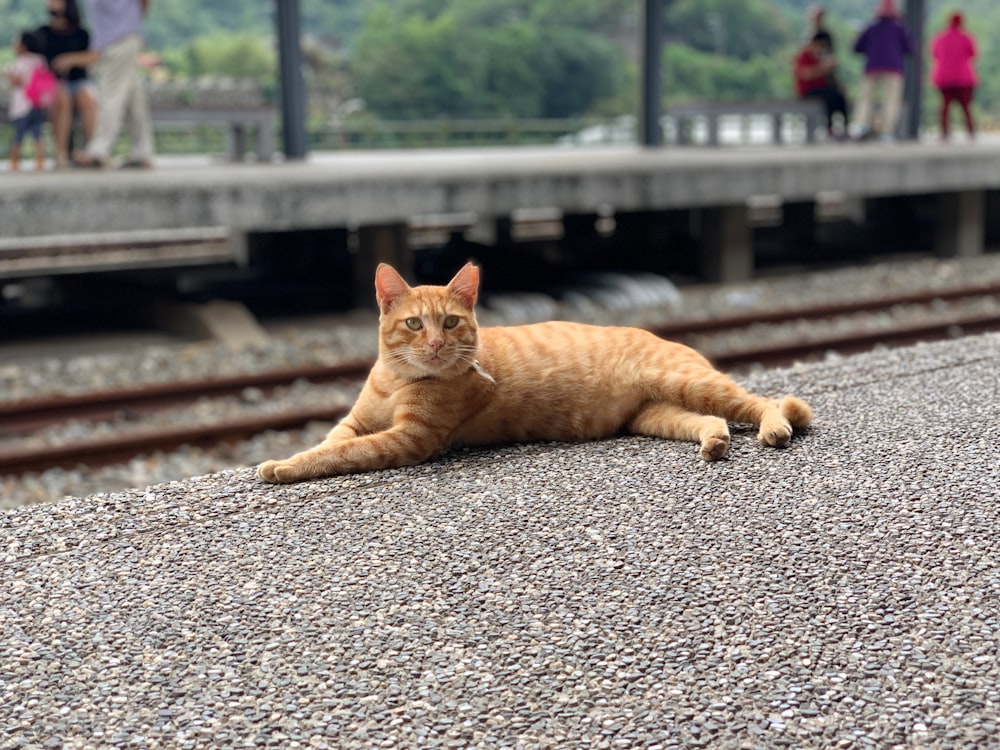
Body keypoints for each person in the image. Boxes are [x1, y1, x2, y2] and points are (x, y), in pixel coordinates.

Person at [58, 0, 154, 169]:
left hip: (118, 39)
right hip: (120, 38)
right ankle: (141, 152)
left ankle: (99, 150)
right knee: (133, 100)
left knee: (110, 95)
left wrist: (133, 22)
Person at [35, 0, 97, 169]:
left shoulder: (82, 34)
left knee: (86, 96)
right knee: (62, 96)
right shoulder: (42, 33)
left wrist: (70, 59)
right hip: (52, 86)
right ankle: (60, 153)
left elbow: (95, 57)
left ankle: (95, 151)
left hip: (78, 83)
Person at [852, 0, 912, 143]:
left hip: (872, 67)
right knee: (891, 100)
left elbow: (856, 47)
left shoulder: (870, 28)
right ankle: (887, 132)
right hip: (893, 68)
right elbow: (910, 48)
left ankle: (861, 124)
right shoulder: (900, 29)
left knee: (866, 98)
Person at [4, 31, 53, 170]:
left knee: (18, 134)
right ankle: (40, 160)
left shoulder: (21, 61)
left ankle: (14, 161)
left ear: (23, 46)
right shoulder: (40, 60)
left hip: (22, 104)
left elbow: (18, 82)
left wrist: (8, 76)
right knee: (38, 133)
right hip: (37, 102)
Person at [930, 12, 977, 141]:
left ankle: (944, 132)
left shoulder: (940, 37)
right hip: (963, 77)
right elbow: (973, 53)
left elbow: (934, 54)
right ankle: (971, 131)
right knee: (966, 107)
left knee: (944, 106)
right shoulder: (966, 37)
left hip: (944, 77)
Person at [795, 33, 849, 140]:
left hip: (822, 89)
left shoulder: (820, 57)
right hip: (808, 91)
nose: (819, 48)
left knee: (839, 96)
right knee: (829, 97)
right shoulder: (804, 56)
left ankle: (845, 127)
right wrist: (823, 68)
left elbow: (829, 78)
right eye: (818, 45)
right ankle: (829, 128)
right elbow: (805, 74)